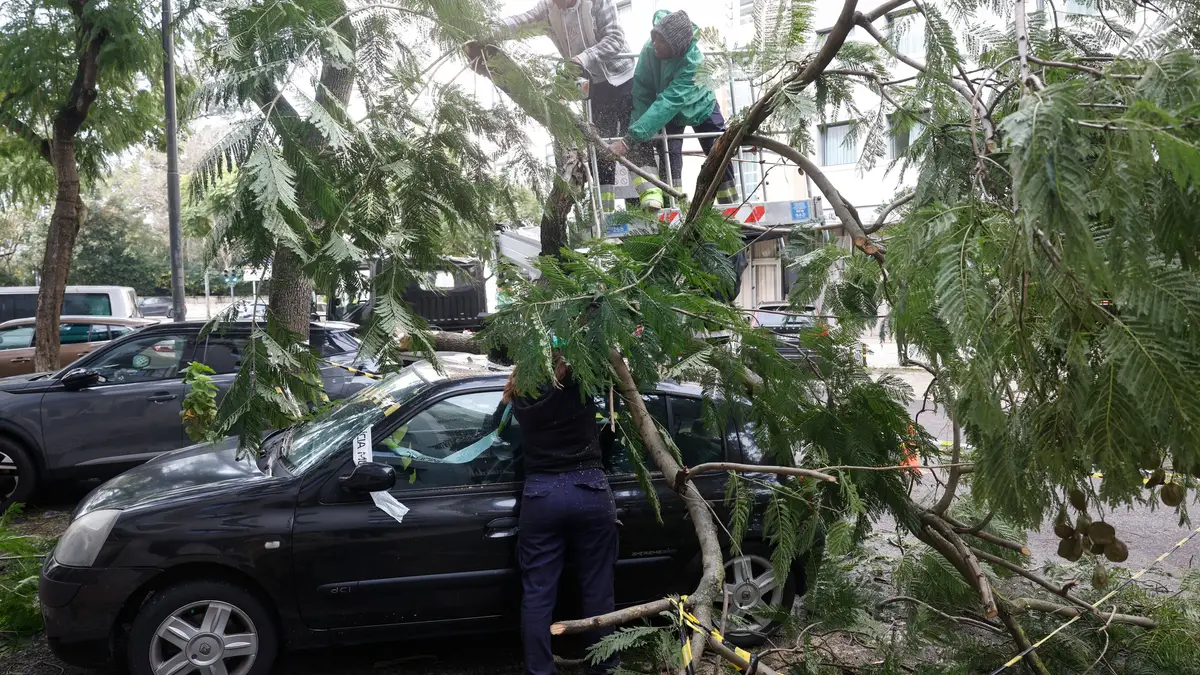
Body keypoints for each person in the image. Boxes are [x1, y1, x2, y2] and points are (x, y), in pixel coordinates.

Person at [504, 352, 618, 675]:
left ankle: (540, 670)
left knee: (537, 595)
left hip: (541, 495)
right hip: (589, 488)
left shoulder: (521, 391)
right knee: (597, 590)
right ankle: (603, 667)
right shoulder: (580, 379)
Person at [498, 0, 636, 211]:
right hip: (594, 86)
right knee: (601, 146)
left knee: (630, 141)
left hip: (622, 77)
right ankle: (607, 212)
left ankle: (641, 205)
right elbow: (522, 21)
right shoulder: (550, 8)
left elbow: (615, 38)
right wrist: (486, 30)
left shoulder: (598, 2)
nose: (555, 2)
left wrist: (583, 58)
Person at [608, 10, 740, 209]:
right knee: (669, 155)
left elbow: (670, 101)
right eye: (655, 37)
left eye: (661, 42)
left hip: (701, 105)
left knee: (718, 150)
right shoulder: (649, 50)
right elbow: (642, 95)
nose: (655, 44)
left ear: (676, 47)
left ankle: (730, 204)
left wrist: (627, 141)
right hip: (670, 109)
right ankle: (672, 204)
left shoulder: (692, 61)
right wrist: (633, 137)